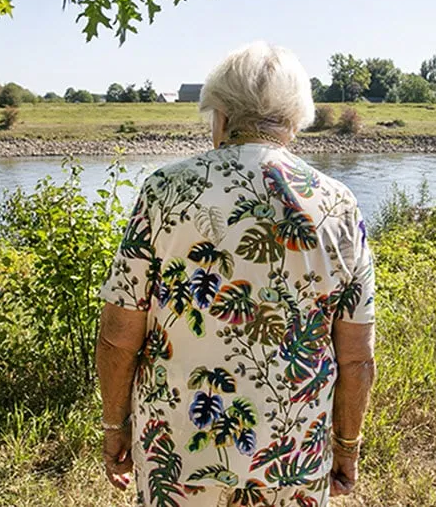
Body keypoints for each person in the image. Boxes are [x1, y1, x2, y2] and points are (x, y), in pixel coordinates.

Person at [95, 42, 376, 507]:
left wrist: (116, 426)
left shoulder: (165, 191)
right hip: (292, 454)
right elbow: (356, 356)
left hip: (177, 450)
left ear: (220, 115)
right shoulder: (337, 204)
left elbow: (119, 334)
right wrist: (346, 446)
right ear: (292, 122)